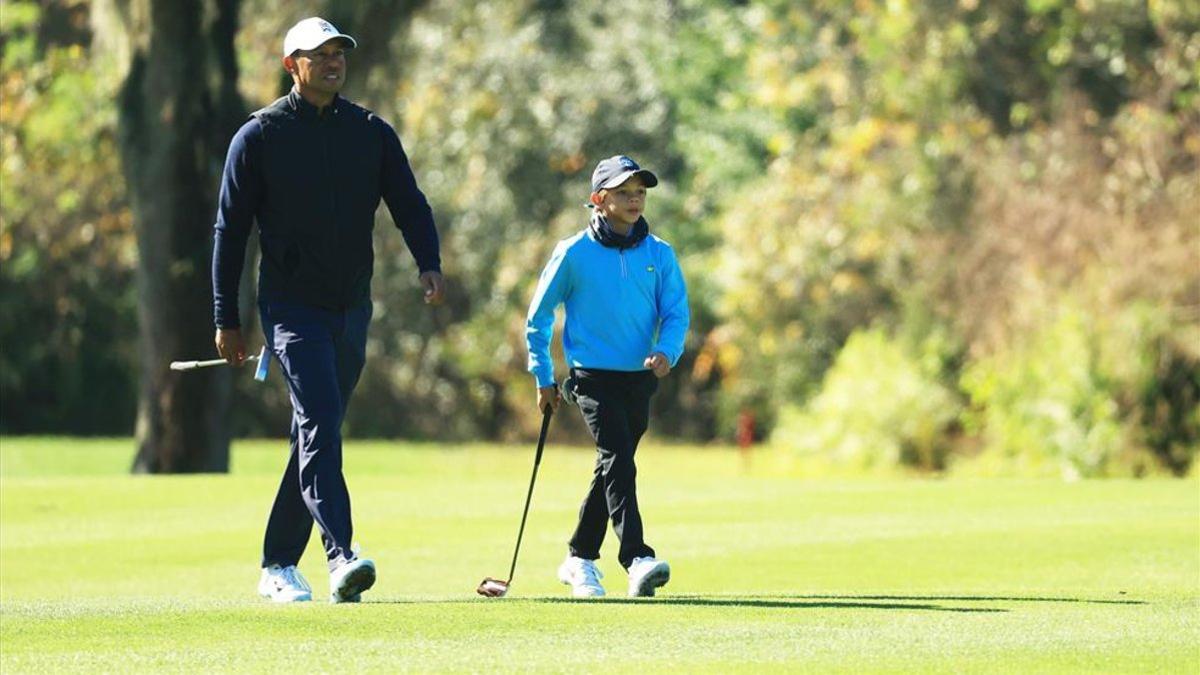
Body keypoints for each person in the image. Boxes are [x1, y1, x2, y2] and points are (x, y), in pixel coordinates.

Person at [211, 17, 445, 604]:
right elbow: (229, 232)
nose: (334, 61)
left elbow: (409, 203)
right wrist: (227, 318)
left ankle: (277, 565)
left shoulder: (370, 132)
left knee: (314, 432)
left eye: (339, 51)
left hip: (351, 306)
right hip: (290, 308)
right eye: (320, 54)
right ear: (293, 65)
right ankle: (342, 555)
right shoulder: (259, 136)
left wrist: (428, 261)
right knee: (319, 422)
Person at [525, 155, 689, 598]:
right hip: (591, 378)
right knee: (618, 459)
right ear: (599, 200)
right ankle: (636, 557)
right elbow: (538, 318)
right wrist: (543, 376)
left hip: (639, 377)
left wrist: (665, 351)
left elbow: (676, 312)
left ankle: (579, 558)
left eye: (639, 192)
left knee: (611, 466)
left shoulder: (660, 254)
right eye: (623, 192)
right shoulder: (574, 253)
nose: (634, 200)